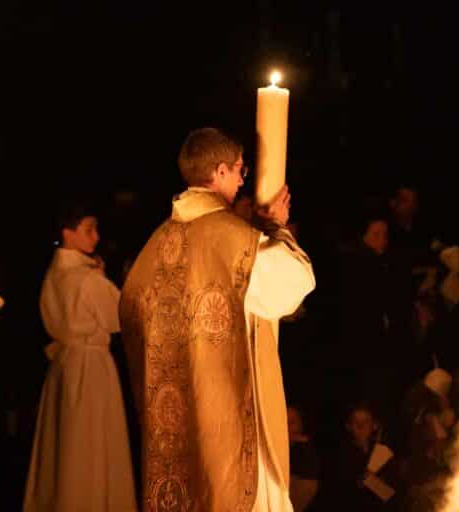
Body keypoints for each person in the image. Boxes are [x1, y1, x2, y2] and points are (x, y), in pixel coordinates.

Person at [119, 127, 315, 511]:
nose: (244, 180)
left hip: (173, 415)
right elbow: (294, 285)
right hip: (227, 407)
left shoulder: (154, 245)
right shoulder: (231, 238)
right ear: (220, 170)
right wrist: (277, 229)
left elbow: (129, 309)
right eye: (240, 169)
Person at [24, 202, 137, 511]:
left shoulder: (55, 273)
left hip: (64, 367)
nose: (96, 237)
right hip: (91, 366)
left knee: (67, 446)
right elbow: (123, 317)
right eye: (89, 230)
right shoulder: (86, 279)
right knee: (90, 443)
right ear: (68, 233)